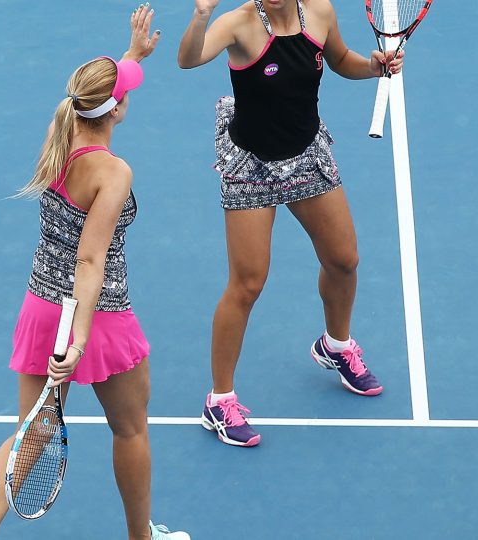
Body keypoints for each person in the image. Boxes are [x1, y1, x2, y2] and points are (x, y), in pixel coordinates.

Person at [0, 5, 189, 539]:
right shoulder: (113, 173)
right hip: (99, 316)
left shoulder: (59, 130)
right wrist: (81, 338)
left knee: (29, 436)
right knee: (130, 428)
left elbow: (105, 89)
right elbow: (91, 260)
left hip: (41, 308)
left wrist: (133, 55)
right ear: (118, 110)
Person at [177, 0, 404, 447]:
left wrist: (373, 67)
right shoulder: (238, 24)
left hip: (305, 156)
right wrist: (201, 16)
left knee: (343, 261)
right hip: (251, 166)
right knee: (247, 284)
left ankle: (336, 346)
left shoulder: (320, 12)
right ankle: (219, 401)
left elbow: (341, 59)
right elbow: (188, 59)